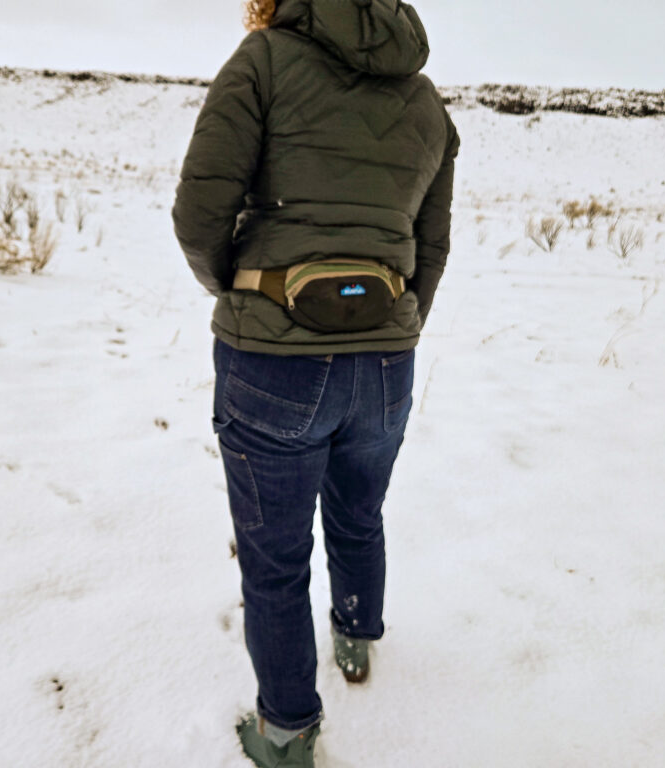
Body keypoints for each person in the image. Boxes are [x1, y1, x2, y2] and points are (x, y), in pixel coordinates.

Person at [172, 0, 458, 764]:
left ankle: (289, 731)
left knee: (275, 556)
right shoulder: (425, 97)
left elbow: (200, 211)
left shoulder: (263, 62)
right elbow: (432, 244)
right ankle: (358, 636)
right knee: (360, 514)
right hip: (388, 362)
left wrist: (239, 291)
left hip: (275, 359)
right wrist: (399, 326)